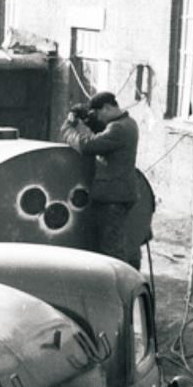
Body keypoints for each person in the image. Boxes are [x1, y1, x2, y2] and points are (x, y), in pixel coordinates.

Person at [61, 91, 142, 269]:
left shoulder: (118, 128)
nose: (98, 118)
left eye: (98, 114)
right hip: (120, 194)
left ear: (107, 107)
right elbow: (104, 133)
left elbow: (87, 145)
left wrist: (68, 127)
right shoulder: (128, 123)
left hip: (113, 198)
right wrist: (89, 119)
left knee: (111, 250)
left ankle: (119, 287)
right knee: (112, 245)